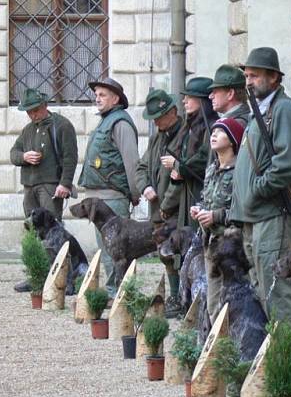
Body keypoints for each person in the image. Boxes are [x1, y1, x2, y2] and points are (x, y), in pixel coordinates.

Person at [227, 47, 291, 371]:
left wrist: (258, 190)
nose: (249, 81)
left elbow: (288, 164)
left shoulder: (284, 109)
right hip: (254, 216)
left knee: (279, 293)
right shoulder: (259, 110)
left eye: (255, 75)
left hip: (273, 214)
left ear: (274, 77)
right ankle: (281, 359)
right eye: (246, 75)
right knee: (264, 291)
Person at [78, 78, 140, 298]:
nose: (97, 98)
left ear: (116, 99)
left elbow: (132, 163)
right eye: (96, 94)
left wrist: (134, 193)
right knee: (107, 253)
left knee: (117, 252)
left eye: (102, 94)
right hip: (100, 197)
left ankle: (123, 296)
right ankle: (116, 293)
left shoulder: (120, 123)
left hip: (113, 197)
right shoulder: (106, 121)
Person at [136, 87, 183, 316]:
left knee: (179, 256)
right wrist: (145, 186)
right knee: (165, 256)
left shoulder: (185, 134)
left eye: (159, 118)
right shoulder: (156, 138)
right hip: (159, 212)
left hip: (177, 211)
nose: (156, 123)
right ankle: (175, 296)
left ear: (172, 112)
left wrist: (166, 205)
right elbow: (141, 166)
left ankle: (182, 298)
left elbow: (182, 177)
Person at [191, 117, 242, 322]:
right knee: (213, 303)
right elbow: (206, 198)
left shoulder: (240, 171)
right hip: (210, 244)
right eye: (212, 131)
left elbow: (242, 211)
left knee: (236, 300)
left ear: (231, 140)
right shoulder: (211, 168)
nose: (213, 135)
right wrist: (199, 210)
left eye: (219, 132)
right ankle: (217, 348)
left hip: (232, 245)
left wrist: (215, 216)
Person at [10, 88, 78, 221]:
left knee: (51, 229)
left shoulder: (62, 125)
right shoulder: (27, 130)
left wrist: (65, 183)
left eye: (36, 110)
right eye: (29, 112)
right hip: (29, 187)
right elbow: (13, 153)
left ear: (45, 105)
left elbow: (70, 157)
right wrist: (24, 157)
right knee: (31, 229)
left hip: (50, 187)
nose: (32, 115)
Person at [165, 77, 217, 232]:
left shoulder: (212, 126)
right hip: (187, 192)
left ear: (202, 100)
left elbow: (203, 158)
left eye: (189, 97)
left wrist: (178, 166)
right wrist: (178, 173)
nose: (184, 101)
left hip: (201, 191)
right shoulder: (190, 126)